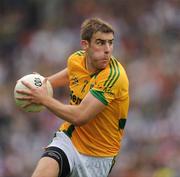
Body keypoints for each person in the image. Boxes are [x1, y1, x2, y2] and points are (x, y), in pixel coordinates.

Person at [16, 18, 129, 177]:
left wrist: (45, 99)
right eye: (100, 42)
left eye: (110, 43)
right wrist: (44, 83)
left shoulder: (114, 76)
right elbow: (71, 73)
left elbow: (81, 116)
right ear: (85, 45)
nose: (107, 49)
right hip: (69, 140)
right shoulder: (76, 59)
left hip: (98, 158)